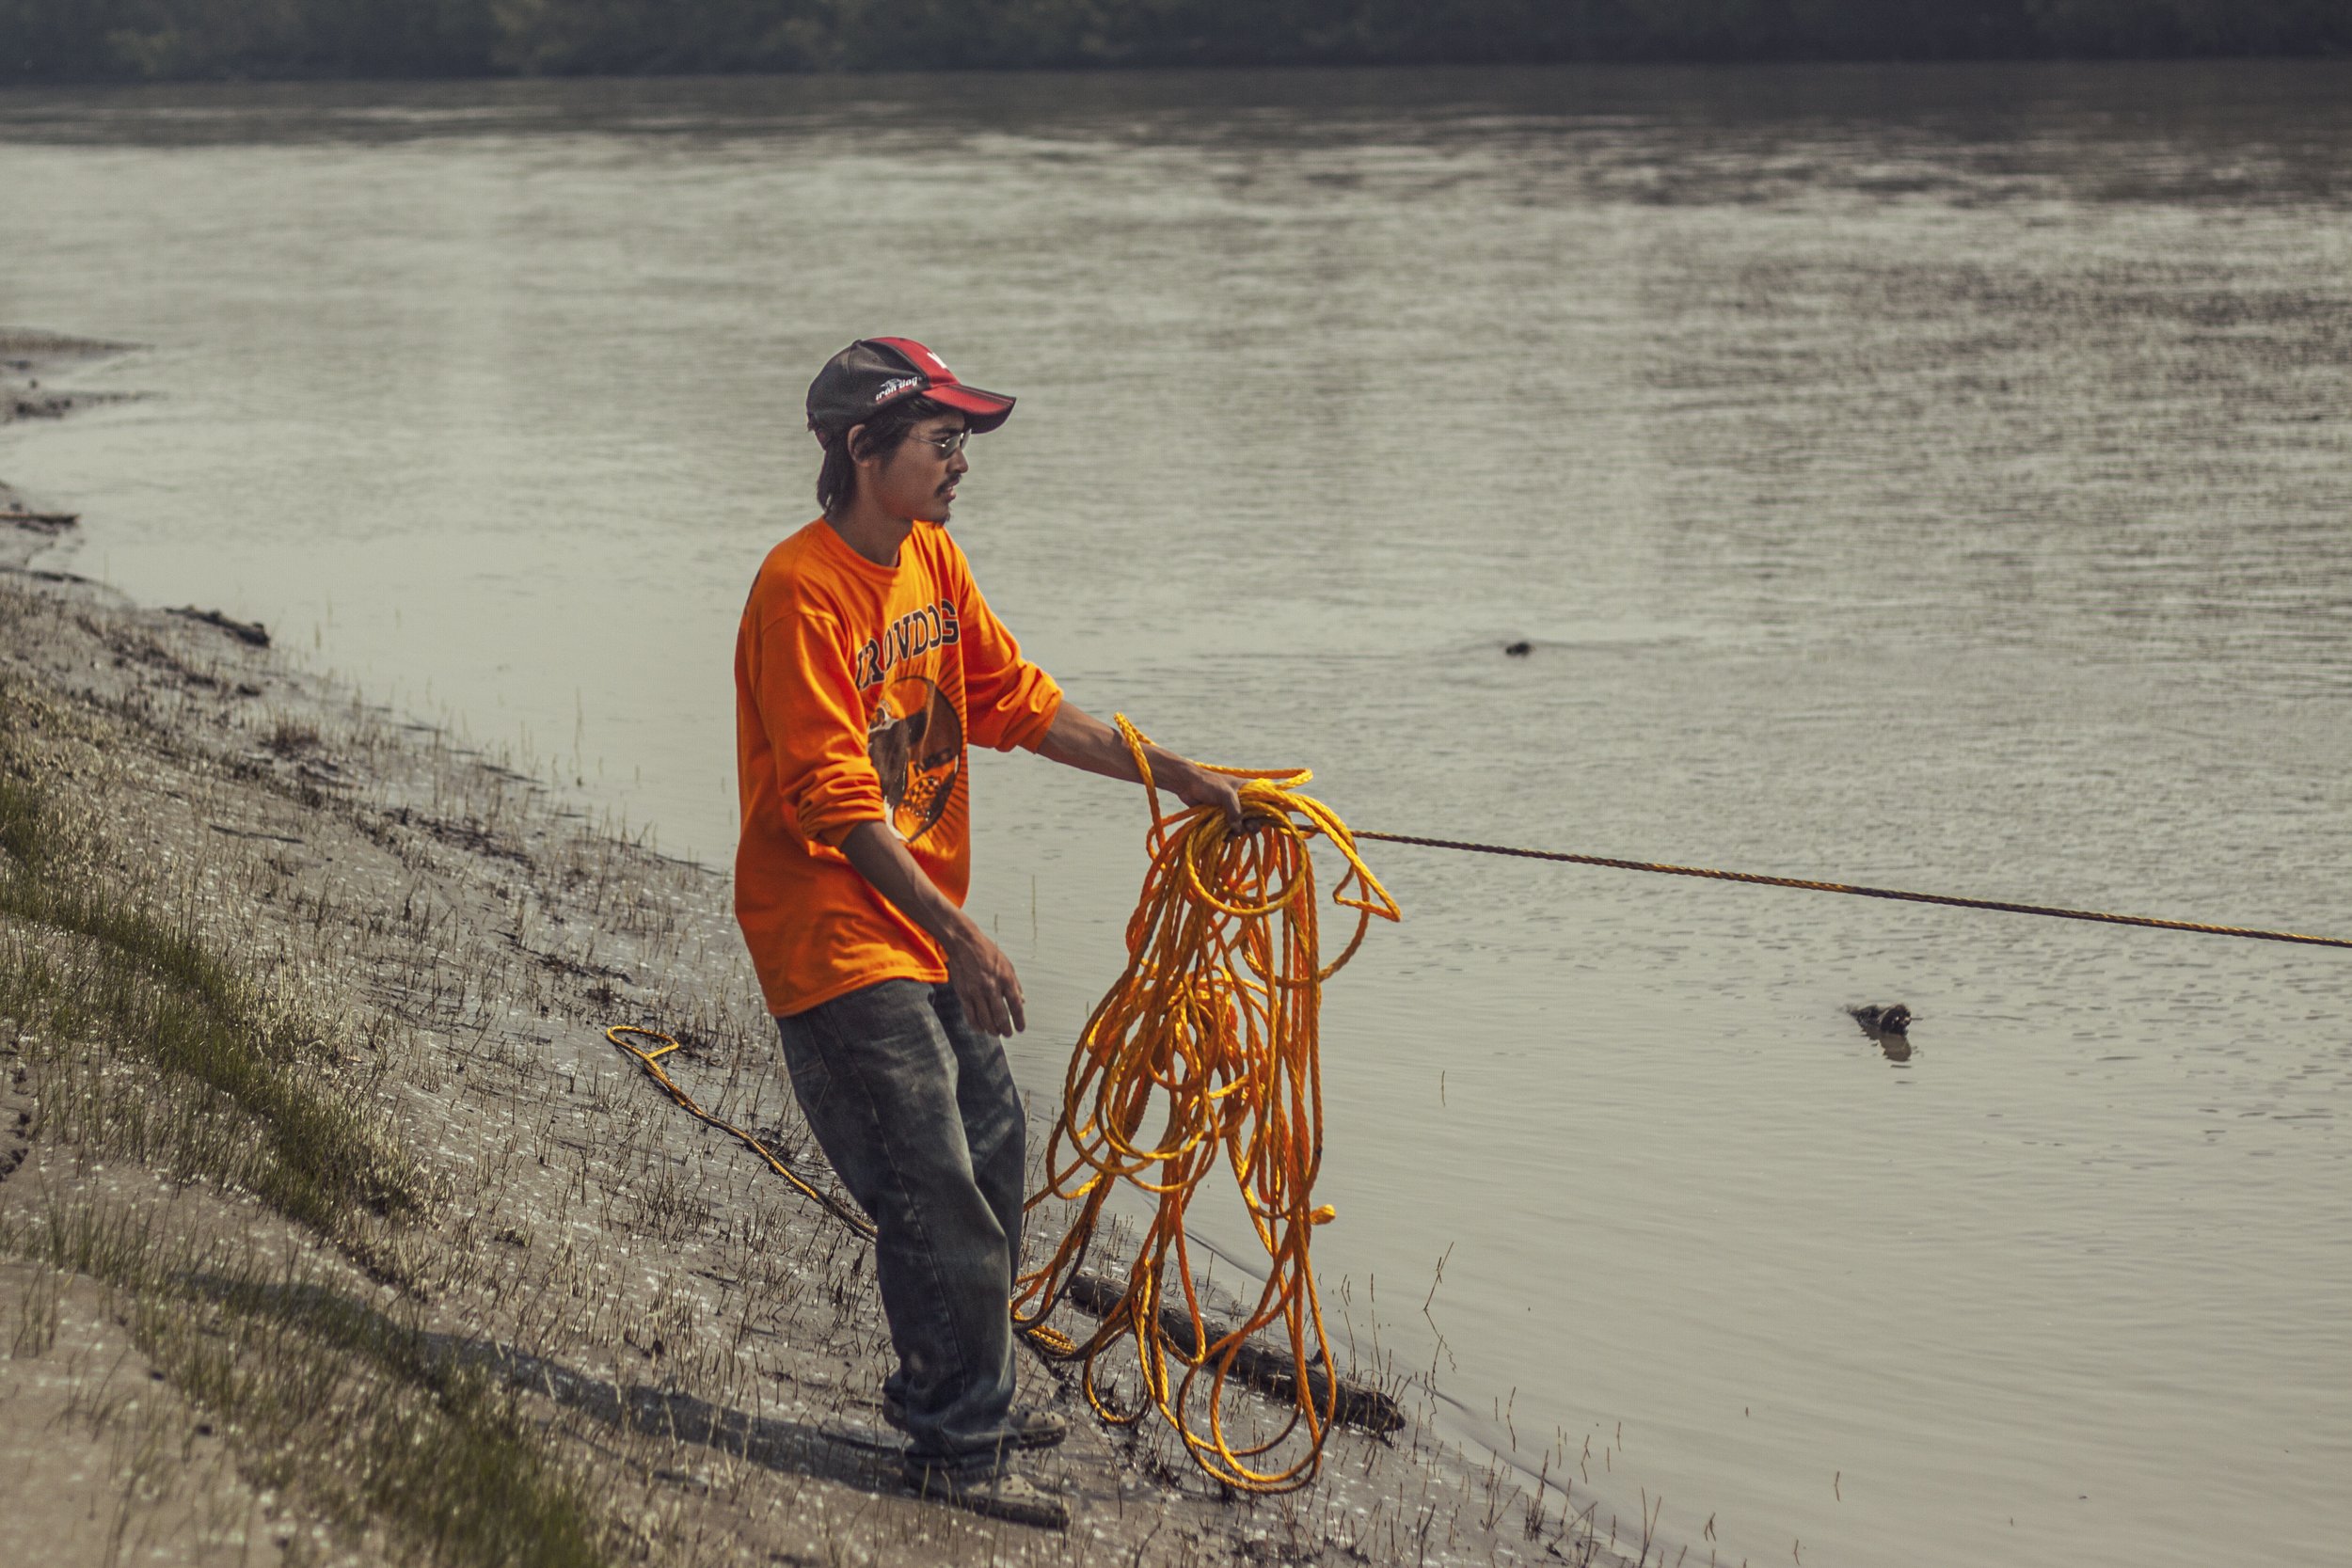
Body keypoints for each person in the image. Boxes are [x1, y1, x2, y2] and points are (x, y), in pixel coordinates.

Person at [733, 337, 1241, 1528]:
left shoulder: (933, 562)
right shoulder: (798, 589)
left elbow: (1020, 701)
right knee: (933, 1181)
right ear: (865, 450)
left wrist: (1175, 773)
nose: (962, 463)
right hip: (833, 935)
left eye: (964, 441)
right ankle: (954, 1452)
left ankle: (959, 1390)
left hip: (913, 932)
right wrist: (963, 935)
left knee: (997, 1149)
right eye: (941, 441)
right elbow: (833, 802)